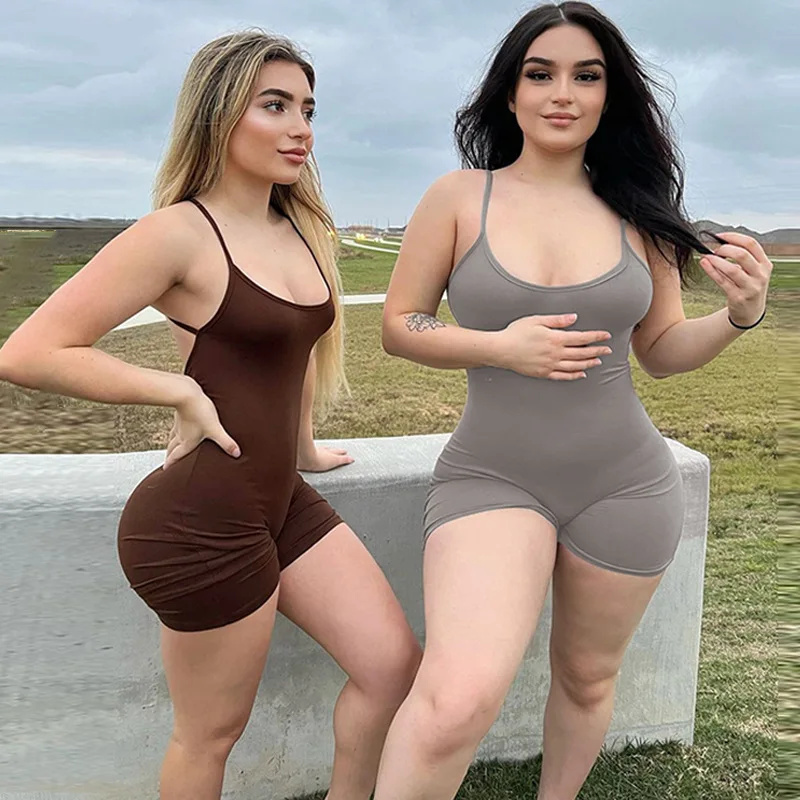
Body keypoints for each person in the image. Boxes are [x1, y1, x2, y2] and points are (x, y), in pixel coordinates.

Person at [0, 30, 421, 800]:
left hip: (276, 499)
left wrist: (303, 446)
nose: (301, 128)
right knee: (210, 737)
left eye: (308, 109)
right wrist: (180, 393)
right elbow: (29, 350)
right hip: (199, 519)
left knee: (391, 664)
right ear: (219, 114)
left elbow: (293, 355)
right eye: (275, 106)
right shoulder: (178, 234)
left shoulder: (300, 229)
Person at [375, 3, 772, 798]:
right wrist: (498, 346)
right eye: (541, 73)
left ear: (608, 95)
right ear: (510, 93)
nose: (563, 93)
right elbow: (399, 324)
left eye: (586, 76)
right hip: (493, 477)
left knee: (588, 680)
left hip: (626, 485)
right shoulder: (459, 197)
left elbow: (660, 351)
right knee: (456, 699)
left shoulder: (637, 213)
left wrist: (740, 316)